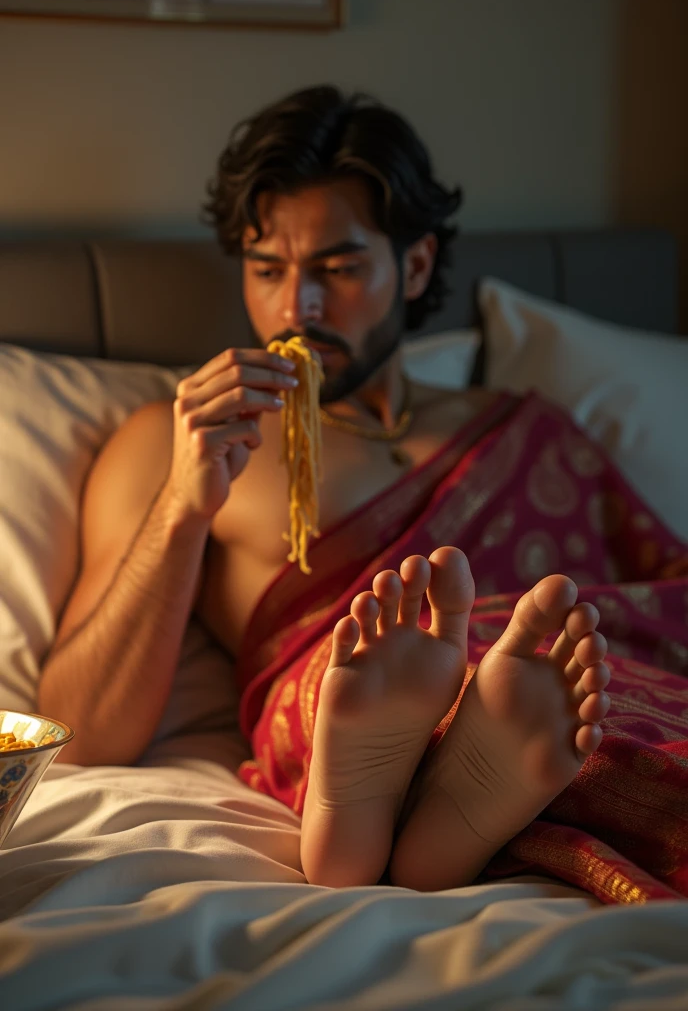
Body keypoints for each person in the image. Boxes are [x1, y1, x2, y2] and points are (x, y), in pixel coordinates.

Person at [37, 86, 687, 902]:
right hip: (341, 681)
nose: (296, 307)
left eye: (337, 268)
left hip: (539, 681)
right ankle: (397, 771)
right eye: (267, 268)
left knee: (592, 706)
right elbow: (78, 730)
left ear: (413, 265)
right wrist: (182, 506)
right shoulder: (176, 441)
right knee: (375, 669)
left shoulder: (521, 429)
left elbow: (661, 593)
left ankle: (448, 795)